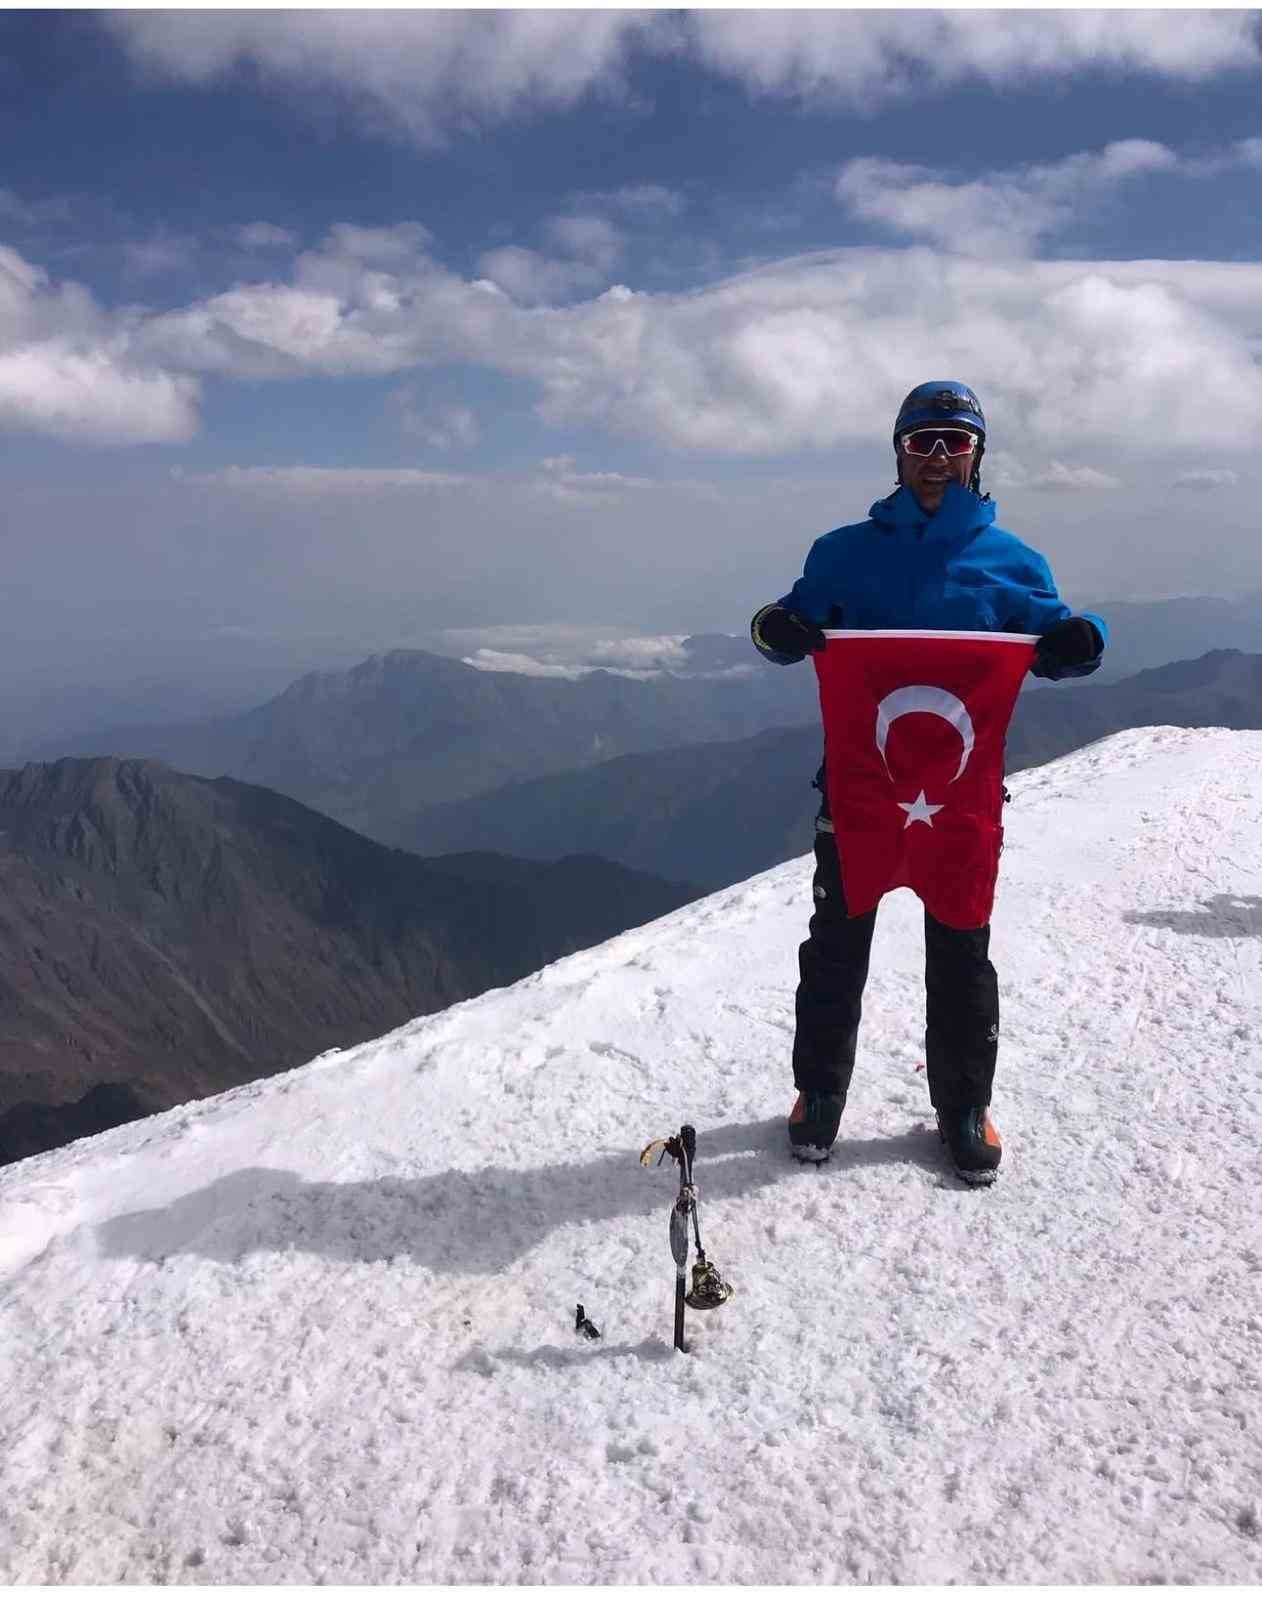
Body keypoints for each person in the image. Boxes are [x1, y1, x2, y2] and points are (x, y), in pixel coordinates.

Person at [750, 381, 1107, 1183]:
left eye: (955, 441)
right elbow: (789, 620)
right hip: (861, 790)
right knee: (837, 948)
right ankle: (819, 1096)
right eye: (922, 442)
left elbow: (1056, 630)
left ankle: (963, 1108)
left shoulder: (1014, 562)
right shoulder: (841, 552)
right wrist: (775, 628)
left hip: (955, 800)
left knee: (961, 951)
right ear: (899, 452)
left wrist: (1081, 640)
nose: (938, 458)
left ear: (978, 453)